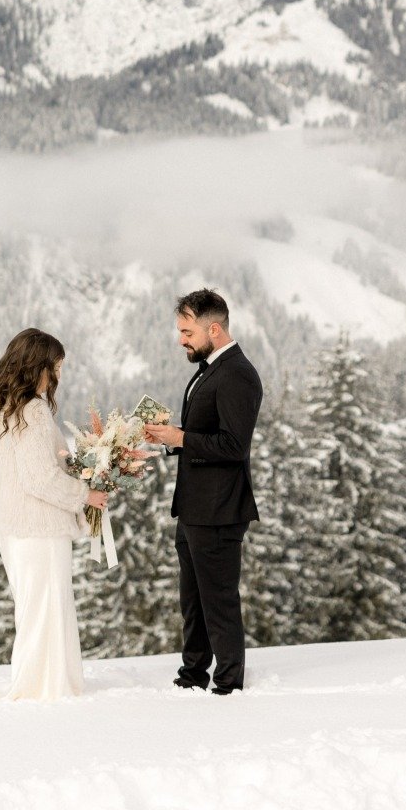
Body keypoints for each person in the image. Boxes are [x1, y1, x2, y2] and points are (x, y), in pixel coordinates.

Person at [143, 288, 263, 694]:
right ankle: (192, 674)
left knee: (219, 602)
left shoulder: (238, 374)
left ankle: (229, 683)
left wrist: (181, 437)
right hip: (194, 508)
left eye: (187, 331)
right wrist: (172, 436)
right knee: (193, 602)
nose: (181, 339)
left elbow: (234, 446)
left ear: (214, 328)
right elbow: (203, 434)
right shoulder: (209, 368)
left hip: (219, 510)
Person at [0, 327, 110, 701]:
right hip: (38, 528)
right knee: (47, 609)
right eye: (56, 366)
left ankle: (38, 682)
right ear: (38, 367)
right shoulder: (33, 412)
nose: (59, 374)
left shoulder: (5, 410)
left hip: (14, 528)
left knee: (32, 609)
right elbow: (40, 478)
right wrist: (87, 493)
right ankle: (47, 687)